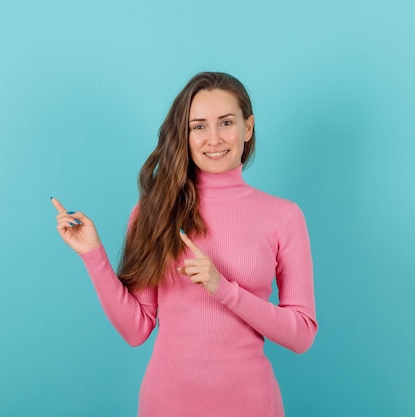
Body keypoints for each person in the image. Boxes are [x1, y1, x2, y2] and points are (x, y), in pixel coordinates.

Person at [51, 72, 317, 417]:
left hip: (252, 405)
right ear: (185, 135)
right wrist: (93, 254)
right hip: (167, 404)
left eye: (226, 123)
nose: (214, 139)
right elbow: (136, 329)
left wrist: (223, 288)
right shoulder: (154, 211)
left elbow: (302, 335)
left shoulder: (284, 216)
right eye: (199, 127)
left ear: (248, 128)